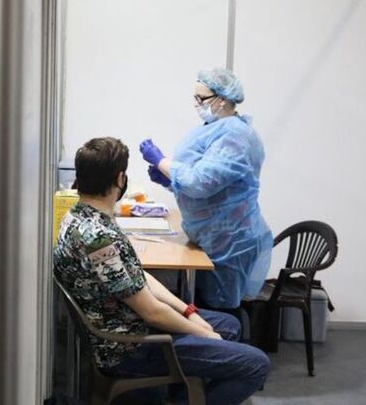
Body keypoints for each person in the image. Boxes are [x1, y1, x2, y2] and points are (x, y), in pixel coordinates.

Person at [54, 137, 269, 405]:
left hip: (132, 327)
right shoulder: (98, 238)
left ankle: (183, 396)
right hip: (132, 348)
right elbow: (152, 312)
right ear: (120, 179)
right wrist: (204, 333)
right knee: (256, 365)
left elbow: (138, 277)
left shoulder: (82, 216)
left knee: (229, 325)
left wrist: (189, 311)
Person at [139, 67, 273, 311]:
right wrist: (169, 181)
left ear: (221, 100)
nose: (196, 104)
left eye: (201, 98)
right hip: (215, 236)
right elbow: (211, 187)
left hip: (230, 240)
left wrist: (162, 162)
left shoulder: (236, 135)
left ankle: (229, 336)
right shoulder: (213, 128)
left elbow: (201, 183)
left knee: (222, 309)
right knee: (205, 304)